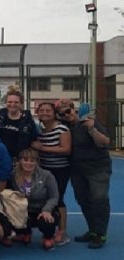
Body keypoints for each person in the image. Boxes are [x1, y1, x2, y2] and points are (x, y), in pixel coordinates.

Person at [56, 99, 111, 249]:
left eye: (68, 111)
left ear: (74, 109)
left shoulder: (90, 122)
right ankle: (93, 231)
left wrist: (92, 129)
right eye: (62, 113)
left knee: (99, 199)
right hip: (77, 170)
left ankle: (100, 234)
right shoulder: (65, 127)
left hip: (97, 168)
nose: (66, 115)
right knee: (83, 200)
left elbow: (104, 142)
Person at [31, 101, 71, 246]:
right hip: (44, 170)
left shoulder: (61, 129)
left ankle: (62, 231)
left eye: (48, 110)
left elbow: (66, 149)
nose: (45, 113)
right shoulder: (40, 130)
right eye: (42, 110)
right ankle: (49, 230)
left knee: (58, 198)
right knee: (48, 198)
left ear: (54, 113)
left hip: (60, 169)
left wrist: (43, 148)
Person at [10, 148, 60, 250]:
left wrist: (47, 210)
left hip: (43, 209)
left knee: (47, 221)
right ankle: (25, 233)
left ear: (37, 162)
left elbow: (54, 196)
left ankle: (48, 237)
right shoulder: (13, 175)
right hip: (25, 210)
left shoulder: (47, 175)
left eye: (32, 160)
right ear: (20, 161)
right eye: (25, 160)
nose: (28, 163)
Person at [0, 89, 38, 162]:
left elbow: (33, 138)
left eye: (16, 102)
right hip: (3, 157)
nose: (12, 104)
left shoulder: (27, 119)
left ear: (21, 104)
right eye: (10, 102)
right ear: (6, 102)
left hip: (22, 159)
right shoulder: (1, 117)